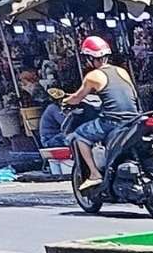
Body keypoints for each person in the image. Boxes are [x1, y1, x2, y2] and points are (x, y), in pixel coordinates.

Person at [60, 36, 141, 191]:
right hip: (134, 119)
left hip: (113, 122)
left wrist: (65, 101)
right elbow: (132, 94)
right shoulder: (122, 71)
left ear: (90, 58)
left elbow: (77, 98)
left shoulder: (92, 76)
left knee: (79, 136)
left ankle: (95, 174)